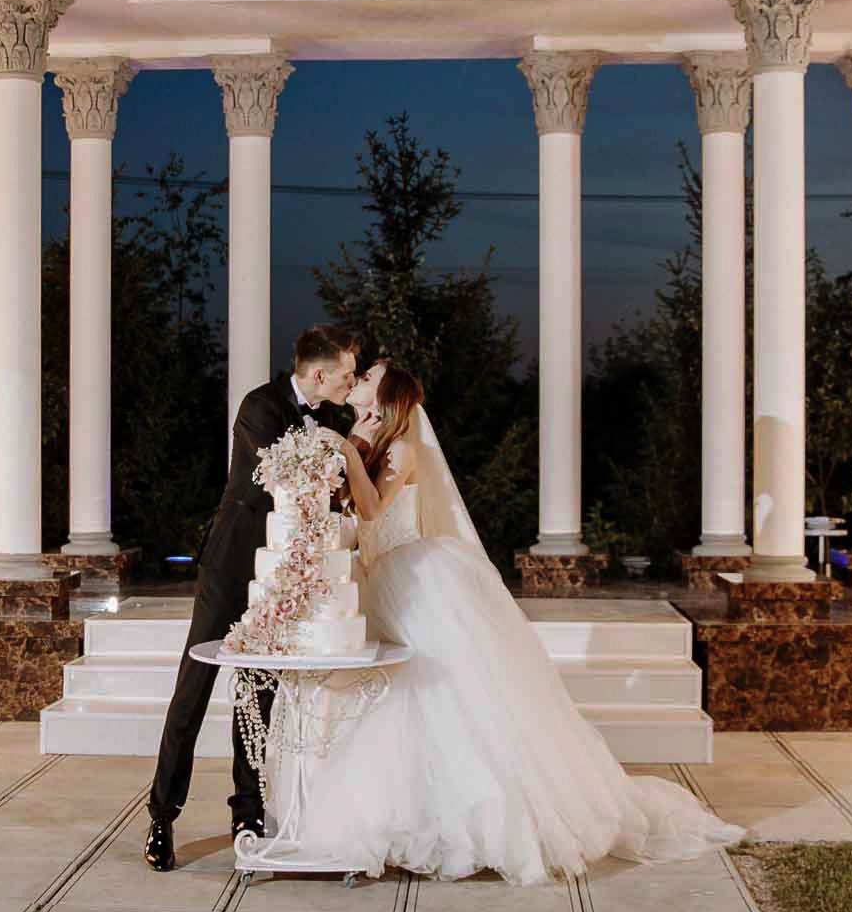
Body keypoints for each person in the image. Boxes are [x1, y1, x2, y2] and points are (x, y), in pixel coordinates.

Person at [277, 361, 746, 884]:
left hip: (416, 578)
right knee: (414, 690)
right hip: (385, 576)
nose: (358, 379)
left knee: (441, 690)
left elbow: (370, 509)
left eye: (367, 377)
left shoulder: (404, 447)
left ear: (384, 397)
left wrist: (343, 451)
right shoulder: (371, 440)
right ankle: (427, 812)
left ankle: (478, 819)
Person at [144, 324, 358, 872]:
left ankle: (249, 811)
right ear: (318, 374)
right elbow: (282, 474)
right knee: (194, 688)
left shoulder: (335, 419)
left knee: (258, 689)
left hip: (285, 574)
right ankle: (162, 816)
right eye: (347, 373)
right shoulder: (259, 406)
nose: (351, 383)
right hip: (233, 561)